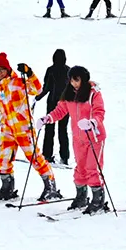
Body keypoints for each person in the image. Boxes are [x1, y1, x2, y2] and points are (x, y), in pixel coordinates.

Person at [0, 54, 60, 202]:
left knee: (34, 158)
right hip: (7, 130)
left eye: (2, 69)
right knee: (3, 160)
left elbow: (38, 89)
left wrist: (29, 73)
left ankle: (50, 187)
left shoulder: (19, 82)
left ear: (8, 70)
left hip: (23, 128)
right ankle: (7, 188)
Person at [40, 66, 109, 214]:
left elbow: (99, 112)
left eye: (76, 80)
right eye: (71, 80)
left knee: (92, 168)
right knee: (80, 168)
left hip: (94, 138)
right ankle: (81, 197)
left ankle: (98, 200)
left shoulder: (93, 94)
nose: (73, 83)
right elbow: (60, 110)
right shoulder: (69, 94)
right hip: (79, 138)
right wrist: (48, 118)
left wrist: (92, 123)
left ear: (83, 79)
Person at [36, 49, 70, 167]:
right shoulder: (68, 70)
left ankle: (47, 155)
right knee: (63, 130)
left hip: (51, 102)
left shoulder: (50, 70)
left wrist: (37, 98)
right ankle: (64, 157)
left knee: (49, 130)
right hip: (65, 104)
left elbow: (46, 88)